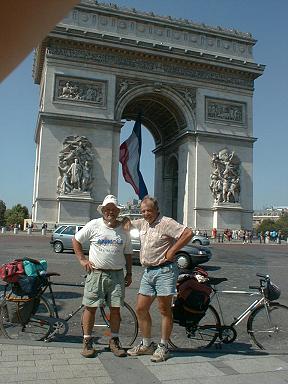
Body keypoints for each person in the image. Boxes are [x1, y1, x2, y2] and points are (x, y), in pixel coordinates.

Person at [124, 196, 193, 363]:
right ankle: (147, 344)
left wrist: (173, 250)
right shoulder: (142, 223)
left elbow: (188, 233)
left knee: (164, 309)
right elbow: (125, 222)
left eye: (149, 210)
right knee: (141, 308)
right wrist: (118, 216)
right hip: (148, 272)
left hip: (165, 271)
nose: (145, 213)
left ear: (156, 210)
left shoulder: (166, 222)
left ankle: (163, 346)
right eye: (142, 211)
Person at [72, 194, 133, 358]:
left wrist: (130, 273)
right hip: (96, 273)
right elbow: (76, 240)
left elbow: (128, 253)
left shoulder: (124, 229)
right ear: (103, 210)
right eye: (107, 209)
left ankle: (114, 340)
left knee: (115, 310)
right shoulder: (94, 224)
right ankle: (87, 341)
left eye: (113, 209)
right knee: (90, 308)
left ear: (118, 211)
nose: (110, 212)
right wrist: (82, 259)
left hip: (117, 275)